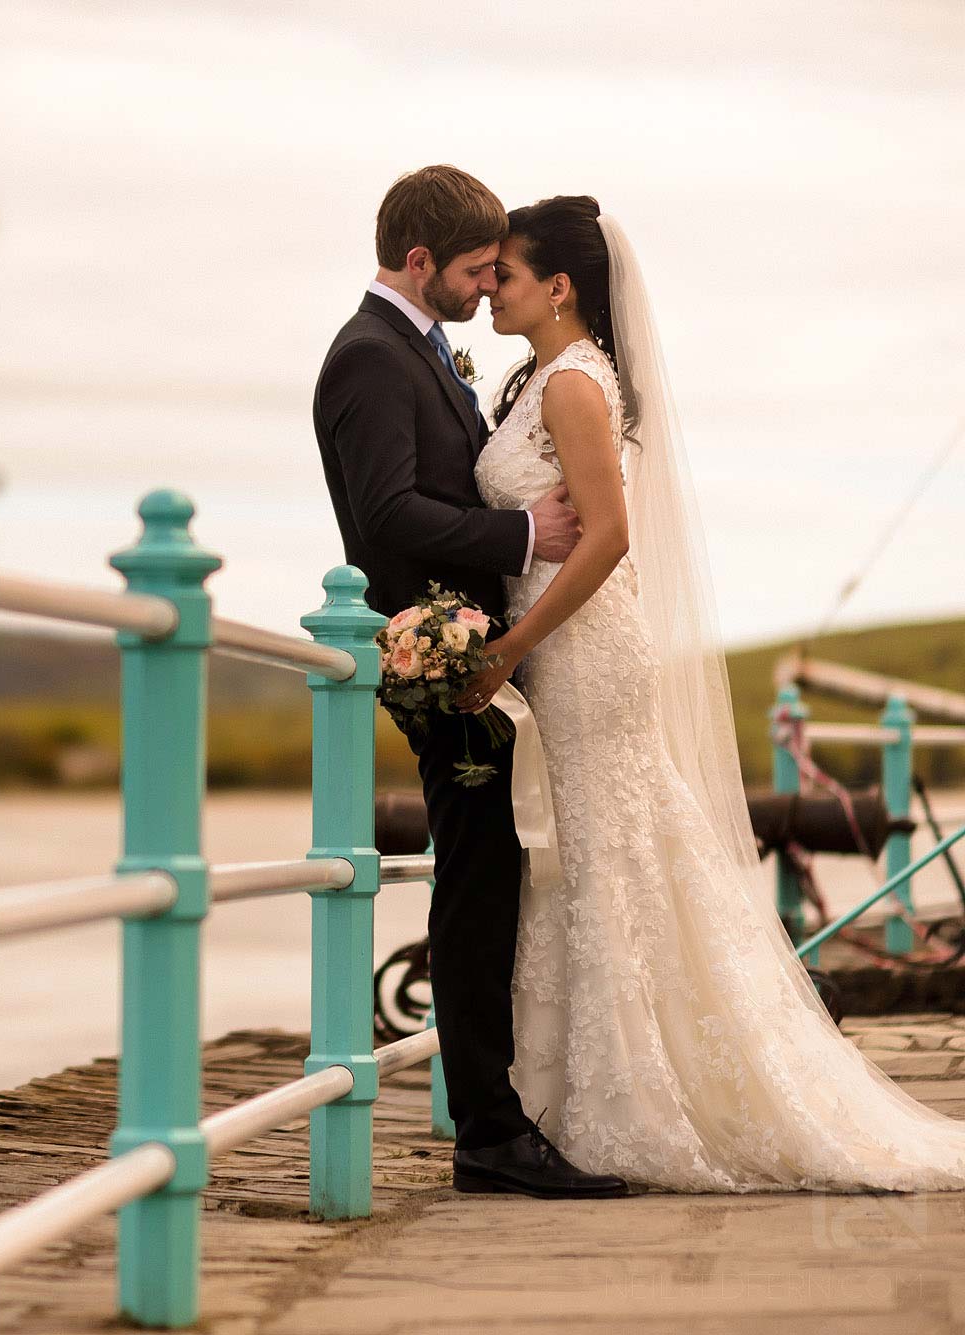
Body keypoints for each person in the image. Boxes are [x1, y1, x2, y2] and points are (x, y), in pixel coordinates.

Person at [459, 193, 965, 1191]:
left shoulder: (573, 384)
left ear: (558, 287)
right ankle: (578, 1095)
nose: (487, 293)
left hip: (580, 654)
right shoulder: (545, 380)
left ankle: (629, 1102)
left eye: (503, 275)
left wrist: (511, 644)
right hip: (559, 649)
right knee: (596, 862)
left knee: (606, 862)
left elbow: (609, 535)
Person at [312, 166, 625, 1197]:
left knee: (490, 879)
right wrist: (521, 533)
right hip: (442, 662)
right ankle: (488, 1130)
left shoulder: (415, 349)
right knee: (475, 885)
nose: (487, 286)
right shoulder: (368, 356)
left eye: (499, 270)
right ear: (420, 263)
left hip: (480, 657)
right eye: (476, 269)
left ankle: (499, 1115)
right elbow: (387, 512)